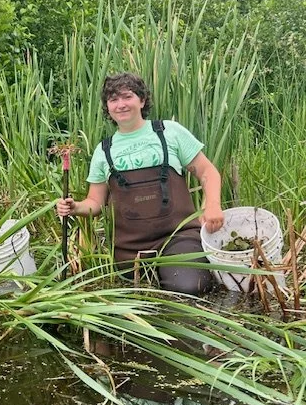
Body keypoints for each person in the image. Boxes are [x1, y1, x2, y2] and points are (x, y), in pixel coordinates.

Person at [56, 72, 224, 295]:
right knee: (133, 299)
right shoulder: (103, 150)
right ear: (107, 107)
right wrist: (75, 207)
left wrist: (212, 204)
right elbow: (95, 202)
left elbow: (207, 172)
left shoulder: (169, 133)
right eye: (113, 100)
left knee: (190, 288)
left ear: (142, 100)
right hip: (128, 249)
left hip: (177, 238)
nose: (121, 105)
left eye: (127, 97)